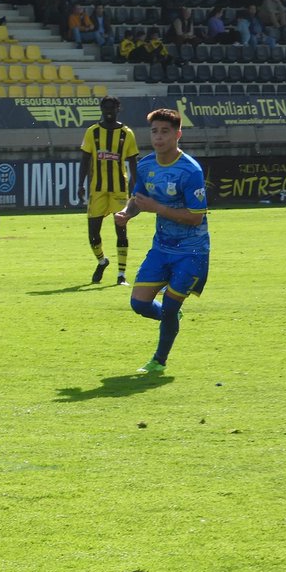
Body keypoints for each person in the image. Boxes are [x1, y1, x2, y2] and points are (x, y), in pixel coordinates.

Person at [114, 108, 209, 375]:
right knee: (139, 303)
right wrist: (127, 213)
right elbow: (138, 200)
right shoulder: (145, 166)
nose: (158, 137)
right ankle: (171, 317)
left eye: (165, 131)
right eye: (154, 131)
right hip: (162, 248)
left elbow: (194, 217)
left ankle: (159, 361)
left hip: (192, 251)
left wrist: (157, 208)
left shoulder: (190, 171)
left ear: (178, 134)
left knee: (169, 307)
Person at [80, 97, 138, 286]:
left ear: (118, 108)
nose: (108, 111)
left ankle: (121, 275)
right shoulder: (92, 132)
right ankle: (102, 261)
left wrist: (136, 188)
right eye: (105, 107)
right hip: (97, 190)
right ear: (101, 109)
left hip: (119, 190)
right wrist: (80, 184)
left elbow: (132, 162)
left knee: (121, 230)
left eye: (111, 107)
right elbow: (85, 159)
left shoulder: (126, 133)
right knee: (93, 234)